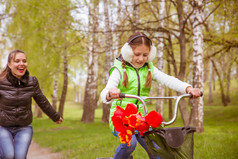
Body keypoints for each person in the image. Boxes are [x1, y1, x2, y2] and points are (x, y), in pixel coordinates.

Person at [100, 32, 201, 159]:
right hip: (121, 119)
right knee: (129, 144)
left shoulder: (149, 69)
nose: (141, 59)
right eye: (137, 54)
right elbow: (105, 92)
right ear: (128, 52)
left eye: (145, 55)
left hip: (141, 118)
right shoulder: (119, 69)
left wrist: (188, 88)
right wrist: (110, 93)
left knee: (157, 149)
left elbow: (168, 80)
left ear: (150, 54)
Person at [0, 50, 63, 159]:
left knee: (19, 157)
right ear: (9, 65)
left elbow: (42, 101)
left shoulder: (32, 82)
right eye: (17, 61)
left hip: (24, 127)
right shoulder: (1, 82)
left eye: (24, 61)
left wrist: (55, 116)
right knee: (8, 155)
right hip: (3, 126)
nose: (21, 64)